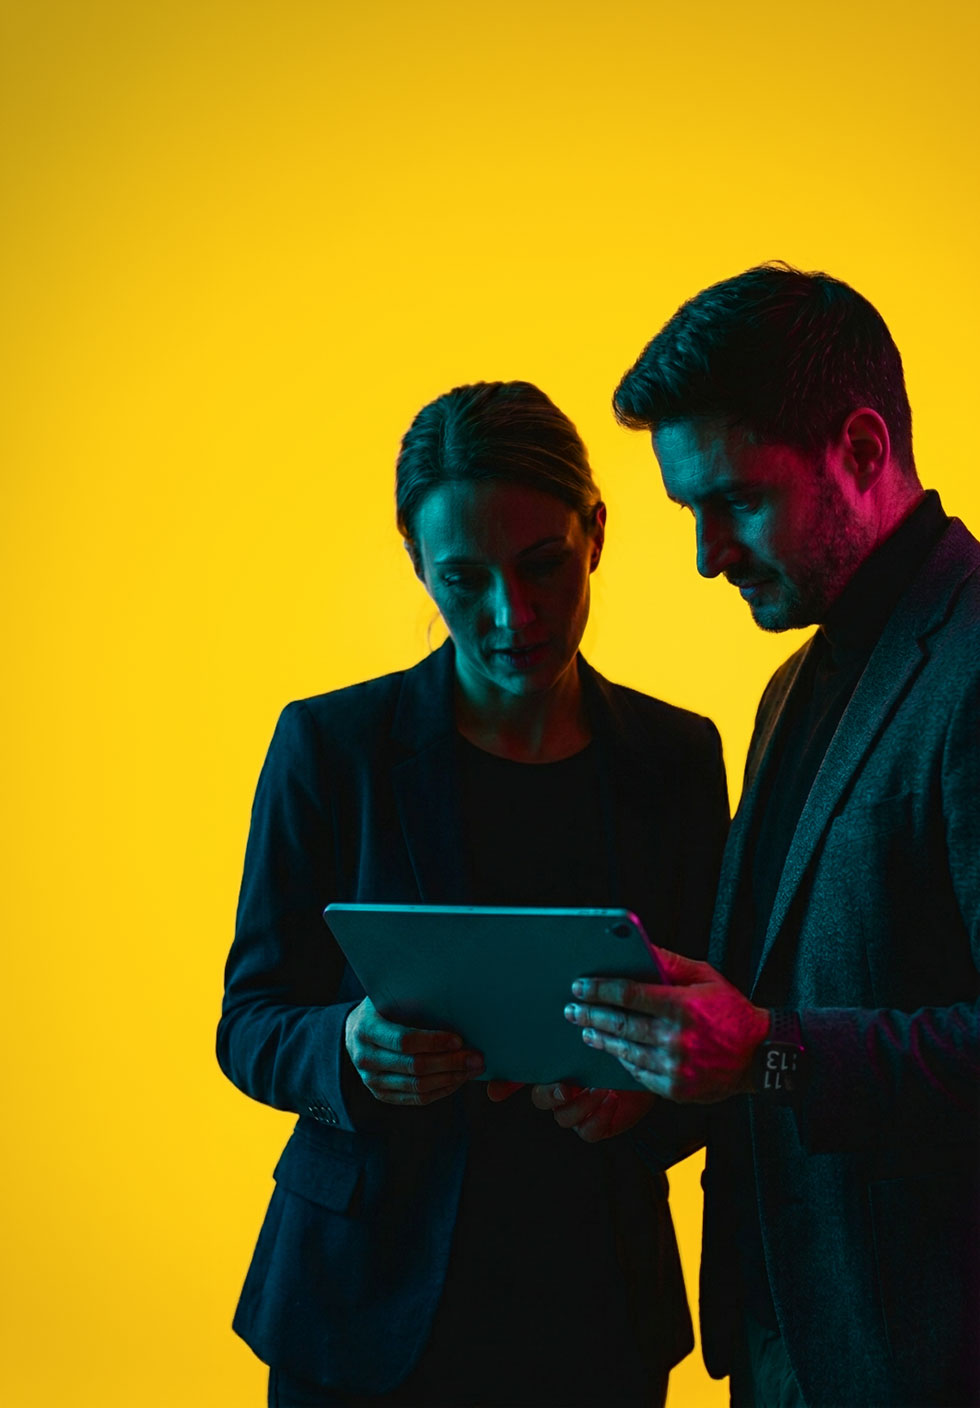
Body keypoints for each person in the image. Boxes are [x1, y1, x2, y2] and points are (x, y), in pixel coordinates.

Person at [217, 380, 730, 1407]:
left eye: (541, 563)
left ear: (594, 531)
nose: (512, 614)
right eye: (463, 578)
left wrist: (645, 1102)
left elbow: (719, 1029)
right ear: (417, 564)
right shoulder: (329, 748)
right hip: (356, 1300)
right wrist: (347, 1049)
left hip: (592, 1298)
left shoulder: (676, 757)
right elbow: (250, 1019)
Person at [560, 265, 980, 1406]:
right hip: (784, 1339)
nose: (705, 553)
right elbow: (775, 1013)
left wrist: (763, 1051)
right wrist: (669, 1064)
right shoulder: (789, 687)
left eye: (735, 501)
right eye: (687, 510)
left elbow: (784, 1043)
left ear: (857, 448)